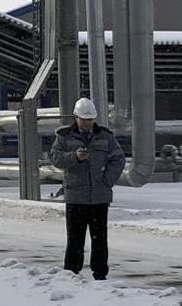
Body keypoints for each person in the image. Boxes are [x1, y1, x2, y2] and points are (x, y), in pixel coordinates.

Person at [49, 97, 125, 280]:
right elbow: (55, 158)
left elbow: (118, 159)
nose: (87, 123)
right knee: (75, 238)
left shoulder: (106, 136)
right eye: (83, 119)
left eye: (90, 119)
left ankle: (100, 274)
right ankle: (72, 272)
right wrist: (74, 157)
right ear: (76, 117)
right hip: (76, 196)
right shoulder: (64, 136)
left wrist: (107, 180)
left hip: (99, 196)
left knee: (99, 239)